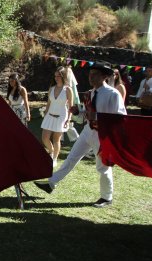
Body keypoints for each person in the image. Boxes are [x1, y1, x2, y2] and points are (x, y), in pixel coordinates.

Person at [34, 61, 127, 208]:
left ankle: (106, 197)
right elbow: (87, 115)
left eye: (95, 75)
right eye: (90, 74)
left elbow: (120, 117)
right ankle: (51, 183)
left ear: (104, 76)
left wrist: (105, 132)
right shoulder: (90, 93)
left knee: (103, 167)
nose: (91, 77)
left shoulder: (113, 94)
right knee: (71, 157)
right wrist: (79, 112)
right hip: (87, 131)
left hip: (101, 135)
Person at [5, 73, 31, 209]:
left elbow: (26, 101)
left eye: (13, 80)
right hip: (12, 111)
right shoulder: (10, 89)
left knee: (20, 134)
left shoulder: (22, 89)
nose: (11, 82)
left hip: (20, 112)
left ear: (17, 80)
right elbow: (9, 102)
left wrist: (28, 113)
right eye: (10, 80)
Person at [40, 66, 73, 167]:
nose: (56, 78)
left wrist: (68, 119)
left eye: (58, 76)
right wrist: (45, 113)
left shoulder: (68, 90)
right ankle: (52, 151)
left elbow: (71, 106)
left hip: (61, 116)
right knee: (44, 138)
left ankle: (54, 158)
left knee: (56, 139)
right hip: (49, 115)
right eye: (55, 76)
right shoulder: (52, 88)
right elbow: (49, 103)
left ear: (63, 76)